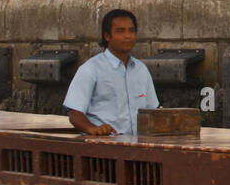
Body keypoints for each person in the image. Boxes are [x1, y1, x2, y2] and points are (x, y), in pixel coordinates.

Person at [63, 8, 159, 137]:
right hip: (105, 145)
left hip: (138, 145)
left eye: (131, 31)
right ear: (107, 36)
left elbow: (153, 111)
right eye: (120, 31)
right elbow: (75, 114)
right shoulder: (91, 69)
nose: (127, 36)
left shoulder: (141, 69)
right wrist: (92, 129)